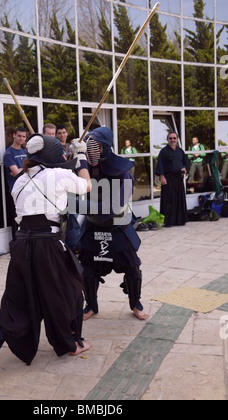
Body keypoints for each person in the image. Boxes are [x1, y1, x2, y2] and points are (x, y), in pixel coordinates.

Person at [0, 133, 92, 371]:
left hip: (21, 244)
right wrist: (80, 157)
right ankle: (71, 343)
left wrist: (66, 158)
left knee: (15, 300)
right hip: (47, 244)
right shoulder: (59, 175)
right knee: (69, 290)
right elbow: (86, 185)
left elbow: (47, 178)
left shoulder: (20, 179)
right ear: (51, 155)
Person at [75, 126, 148, 322]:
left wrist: (80, 205)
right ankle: (91, 304)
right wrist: (73, 156)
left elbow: (112, 208)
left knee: (132, 268)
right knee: (88, 270)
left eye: (95, 146)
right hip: (93, 226)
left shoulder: (122, 173)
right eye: (88, 147)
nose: (91, 151)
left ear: (105, 147)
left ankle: (135, 303)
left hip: (117, 227)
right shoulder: (84, 168)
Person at [155, 132, 189, 227]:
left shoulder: (180, 151)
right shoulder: (164, 151)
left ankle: (180, 220)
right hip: (168, 178)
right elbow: (160, 164)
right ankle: (169, 221)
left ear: (177, 139)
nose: (172, 140)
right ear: (167, 140)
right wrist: (162, 176)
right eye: (170, 138)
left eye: (174, 138)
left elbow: (186, 162)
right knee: (169, 199)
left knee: (179, 198)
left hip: (178, 178)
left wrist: (184, 168)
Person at [4, 127, 28, 238]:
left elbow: (21, 171)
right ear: (14, 135)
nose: (21, 138)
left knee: (26, 218)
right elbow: (16, 173)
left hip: (27, 190)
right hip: (16, 191)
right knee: (16, 219)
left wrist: (20, 169)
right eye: (19, 135)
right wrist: (26, 168)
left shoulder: (25, 151)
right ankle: (16, 244)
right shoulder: (8, 153)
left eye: (24, 136)